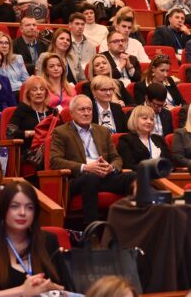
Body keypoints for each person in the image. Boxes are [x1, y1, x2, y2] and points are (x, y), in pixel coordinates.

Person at [0, 181, 67, 296]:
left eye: (29, 207)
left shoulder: (48, 240)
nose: (22, 213)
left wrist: (48, 287)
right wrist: (22, 291)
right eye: (14, 206)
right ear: (3, 209)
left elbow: (67, 288)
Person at [50, 95, 135, 224]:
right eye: (82, 109)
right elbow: (55, 161)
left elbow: (116, 158)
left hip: (104, 175)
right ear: (71, 113)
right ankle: (92, 228)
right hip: (78, 178)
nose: (86, 113)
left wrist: (111, 167)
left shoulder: (102, 131)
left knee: (133, 176)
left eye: (89, 109)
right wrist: (85, 167)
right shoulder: (61, 132)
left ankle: (131, 223)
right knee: (90, 178)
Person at [6, 75, 57, 166]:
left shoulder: (52, 112)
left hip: (52, 149)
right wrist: (30, 133)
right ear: (28, 94)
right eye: (34, 90)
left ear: (46, 93)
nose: (39, 92)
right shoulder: (22, 109)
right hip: (29, 152)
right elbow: (10, 132)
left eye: (42, 89)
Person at [118, 104, 172, 171]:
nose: (149, 122)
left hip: (164, 174)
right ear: (135, 120)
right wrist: (153, 169)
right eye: (145, 118)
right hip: (140, 175)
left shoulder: (159, 139)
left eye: (152, 119)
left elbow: (171, 161)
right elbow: (129, 165)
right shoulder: (126, 140)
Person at [0, 32, 29, 98]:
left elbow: (26, 80)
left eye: (7, 43)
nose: (4, 46)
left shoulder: (18, 58)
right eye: (0, 43)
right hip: (2, 95)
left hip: (20, 94)